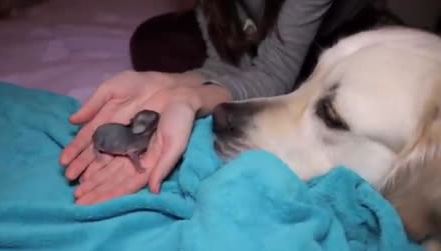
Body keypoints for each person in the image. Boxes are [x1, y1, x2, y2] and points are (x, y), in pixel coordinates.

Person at [59, 0, 371, 205]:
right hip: (258, 33)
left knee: (317, 83)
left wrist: (193, 97)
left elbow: (275, 73)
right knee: (151, 40)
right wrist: (171, 83)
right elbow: (219, 62)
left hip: (322, 37)